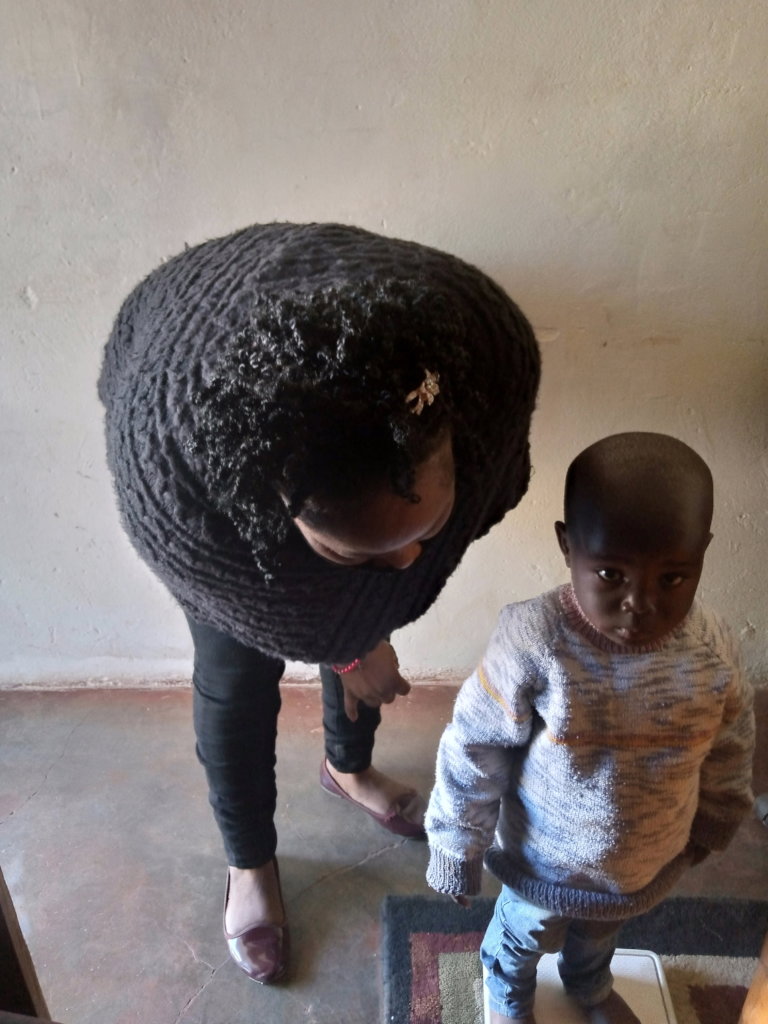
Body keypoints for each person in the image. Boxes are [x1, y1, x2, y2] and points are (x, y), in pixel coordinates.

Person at [98, 221, 541, 983]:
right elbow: (311, 608)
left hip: (358, 361)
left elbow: (430, 534)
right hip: (197, 434)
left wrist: (367, 624)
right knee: (236, 682)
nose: (406, 563)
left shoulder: (485, 360)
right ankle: (249, 865)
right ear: (280, 513)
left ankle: (348, 768)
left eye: (424, 528)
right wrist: (349, 646)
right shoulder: (180, 490)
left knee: (365, 614)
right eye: (359, 550)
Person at [425, 432, 755, 1024]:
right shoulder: (533, 640)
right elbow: (474, 746)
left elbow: (731, 745)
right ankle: (506, 993)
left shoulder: (713, 652)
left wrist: (717, 818)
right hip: (542, 860)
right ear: (566, 545)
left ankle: (588, 982)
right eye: (610, 573)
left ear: (703, 552)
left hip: (641, 861)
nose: (640, 603)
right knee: (522, 939)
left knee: (600, 936)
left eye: (673, 578)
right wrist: (457, 842)